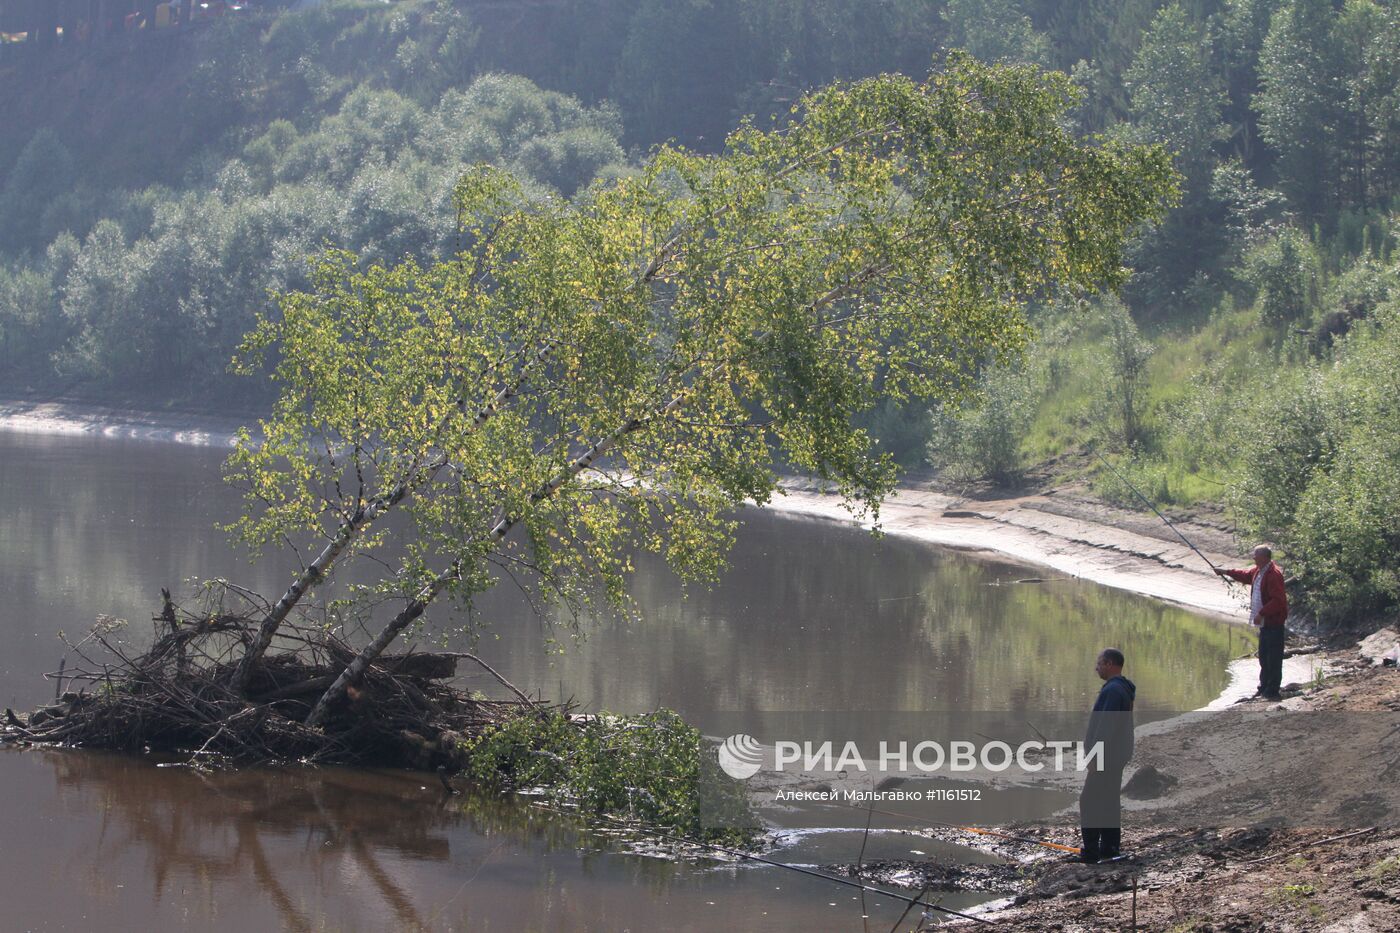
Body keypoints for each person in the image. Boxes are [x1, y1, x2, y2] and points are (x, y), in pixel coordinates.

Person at [1079, 647, 1135, 863]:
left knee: (1090, 801)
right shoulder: (1122, 688)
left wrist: (1094, 757)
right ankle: (1110, 848)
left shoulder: (1113, 691)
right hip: (1117, 755)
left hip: (1107, 757)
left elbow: (1105, 727)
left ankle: (1092, 852)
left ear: (1110, 664)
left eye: (1100, 663)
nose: (1097, 667)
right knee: (1109, 801)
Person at [1216, 545, 1288, 700]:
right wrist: (1225, 572)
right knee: (1263, 656)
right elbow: (1244, 575)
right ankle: (1263, 688)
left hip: (1273, 623)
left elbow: (1279, 601)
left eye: (1256, 555)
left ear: (1264, 557)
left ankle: (1272, 690)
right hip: (1265, 624)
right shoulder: (1258, 571)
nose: (1253, 558)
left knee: (1273, 658)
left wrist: (1262, 613)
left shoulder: (1273, 575)